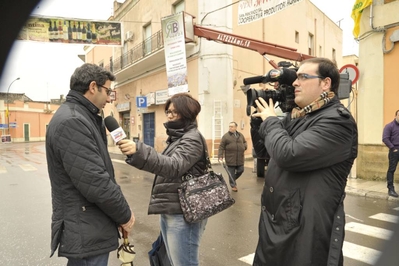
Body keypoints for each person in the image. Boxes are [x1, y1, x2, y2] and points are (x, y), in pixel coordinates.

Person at [251, 57, 358, 266]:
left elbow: (288, 155)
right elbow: (264, 151)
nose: (294, 83)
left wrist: (272, 121)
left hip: (305, 233)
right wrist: (258, 121)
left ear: (325, 83)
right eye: (296, 77)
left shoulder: (337, 121)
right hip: (277, 225)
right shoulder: (299, 115)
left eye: (303, 77)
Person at [45, 63, 135, 266]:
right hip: (85, 228)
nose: (110, 97)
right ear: (93, 87)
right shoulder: (73, 121)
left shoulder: (83, 117)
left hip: (89, 225)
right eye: (108, 91)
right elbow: (95, 181)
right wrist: (125, 215)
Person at [117, 93, 208, 266]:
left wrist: (139, 151)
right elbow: (164, 165)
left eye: (175, 112)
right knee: (173, 262)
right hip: (173, 208)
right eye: (168, 111)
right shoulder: (178, 138)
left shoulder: (192, 138)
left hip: (184, 213)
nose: (170, 115)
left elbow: (173, 166)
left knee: (184, 263)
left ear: (187, 113)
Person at [218, 122, 247, 192]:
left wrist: (244, 147)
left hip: (240, 157)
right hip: (230, 158)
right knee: (231, 173)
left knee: (241, 170)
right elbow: (221, 147)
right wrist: (220, 156)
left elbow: (244, 142)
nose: (230, 128)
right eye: (229, 126)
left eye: (232, 126)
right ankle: (233, 185)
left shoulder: (240, 135)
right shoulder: (226, 136)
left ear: (236, 127)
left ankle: (232, 179)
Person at [382, 110, 399, 197]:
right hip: (394, 151)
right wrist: (393, 148)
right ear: (396, 116)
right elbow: (385, 138)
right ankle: (390, 189)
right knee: (391, 170)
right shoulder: (389, 126)